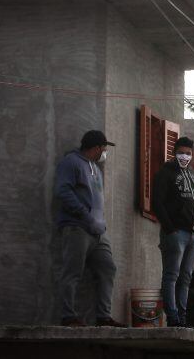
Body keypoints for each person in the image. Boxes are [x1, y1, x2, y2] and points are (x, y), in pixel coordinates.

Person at [55, 130, 124, 327]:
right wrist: (84, 214)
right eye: (103, 148)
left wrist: (99, 222)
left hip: (98, 232)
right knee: (72, 272)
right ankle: (68, 316)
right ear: (94, 148)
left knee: (107, 268)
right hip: (77, 228)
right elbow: (63, 191)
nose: (104, 152)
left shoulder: (94, 167)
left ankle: (103, 317)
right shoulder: (71, 162)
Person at [151, 136, 194, 327]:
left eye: (188, 153)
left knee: (186, 277)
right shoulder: (165, 173)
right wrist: (170, 228)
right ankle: (172, 317)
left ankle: (182, 317)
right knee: (171, 275)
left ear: (192, 154)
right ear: (174, 152)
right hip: (176, 234)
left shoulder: (193, 174)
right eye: (181, 152)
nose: (185, 156)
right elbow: (157, 202)